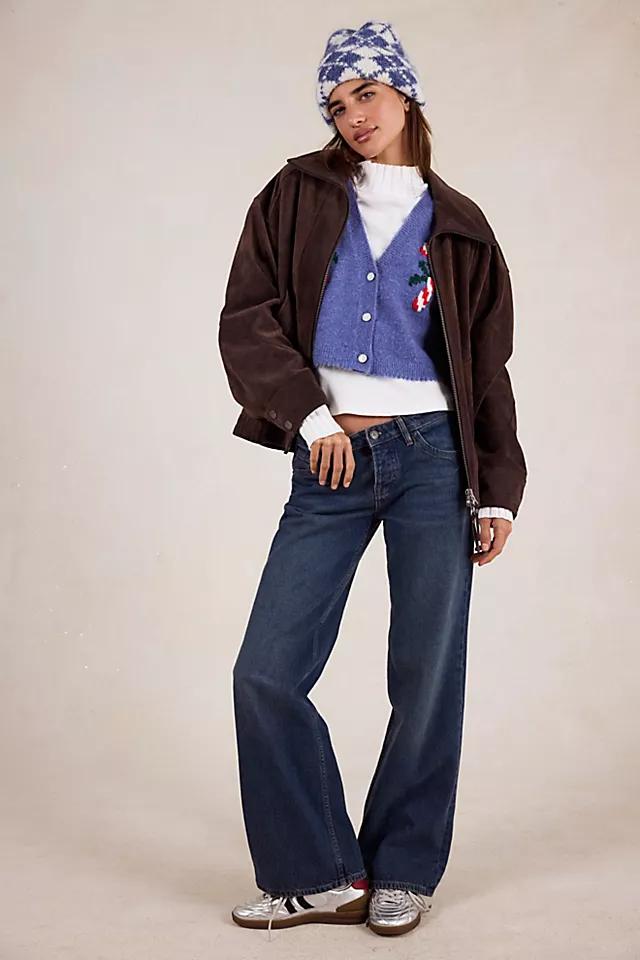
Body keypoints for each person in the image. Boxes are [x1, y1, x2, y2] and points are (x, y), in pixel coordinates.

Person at [218, 19, 527, 940]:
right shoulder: (294, 197)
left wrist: (498, 488)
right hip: (331, 456)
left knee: (427, 674)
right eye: (336, 103)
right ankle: (321, 874)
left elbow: (487, 367)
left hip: (436, 461)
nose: (352, 115)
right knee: (265, 673)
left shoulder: (461, 224)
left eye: (366, 93)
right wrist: (311, 418)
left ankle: (404, 870)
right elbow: (246, 318)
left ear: (404, 93)